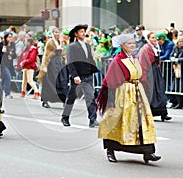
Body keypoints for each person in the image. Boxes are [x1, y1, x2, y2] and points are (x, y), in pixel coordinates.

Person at [96, 34, 161, 163]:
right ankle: (111, 150)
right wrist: (111, 101)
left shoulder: (135, 58)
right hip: (123, 94)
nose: (132, 46)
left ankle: (148, 152)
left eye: (133, 43)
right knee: (117, 121)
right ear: (122, 46)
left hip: (137, 93)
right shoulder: (117, 60)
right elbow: (110, 81)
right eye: (129, 44)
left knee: (143, 122)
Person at [61, 24, 99, 128]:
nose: (83, 33)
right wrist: (75, 76)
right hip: (77, 77)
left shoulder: (87, 45)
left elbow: (90, 58)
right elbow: (70, 62)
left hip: (88, 76)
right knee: (71, 98)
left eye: (84, 31)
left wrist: (93, 69)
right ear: (76, 34)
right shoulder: (71, 46)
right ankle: (65, 117)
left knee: (90, 97)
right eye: (81, 32)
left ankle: (92, 119)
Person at [137, 32, 172, 122]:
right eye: (152, 38)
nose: (154, 39)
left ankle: (163, 113)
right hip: (149, 72)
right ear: (148, 39)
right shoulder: (145, 48)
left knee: (160, 91)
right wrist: (144, 76)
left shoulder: (155, 48)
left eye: (155, 38)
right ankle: (151, 113)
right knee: (151, 92)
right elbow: (142, 63)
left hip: (156, 72)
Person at [37, 26, 67, 108]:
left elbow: (64, 53)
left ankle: (64, 100)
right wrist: (44, 66)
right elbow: (46, 54)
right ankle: (45, 100)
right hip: (51, 64)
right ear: (52, 33)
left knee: (62, 81)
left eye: (58, 32)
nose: (57, 34)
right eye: (55, 32)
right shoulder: (50, 42)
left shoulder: (61, 42)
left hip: (60, 63)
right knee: (50, 82)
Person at [1, 32, 16, 98]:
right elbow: (2, 54)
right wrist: (6, 52)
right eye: (9, 37)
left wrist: (12, 54)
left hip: (10, 64)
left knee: (4, 79)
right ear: (6, 38)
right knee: (8, 77)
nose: (10, 38)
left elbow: (15, 55)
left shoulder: (13, 44)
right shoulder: (3, 44)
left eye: (11, 37)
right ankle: (7, 93)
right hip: (3, 64)